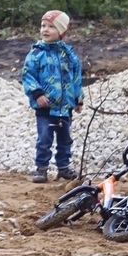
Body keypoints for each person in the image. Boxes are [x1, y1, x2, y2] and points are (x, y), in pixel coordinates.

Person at [21, 10, 83, 183]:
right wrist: (37, 93)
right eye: (43, 26)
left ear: (62, 32)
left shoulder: (69, 55)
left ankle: (63, 167)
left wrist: (78, 98)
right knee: (45, 138)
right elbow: (28, 75)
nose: (45, 30)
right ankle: (41, 168)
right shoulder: (36, 54)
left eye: (51, 27)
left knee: (65, 138)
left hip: (65, 106)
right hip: (46, 106)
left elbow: (76, 77)